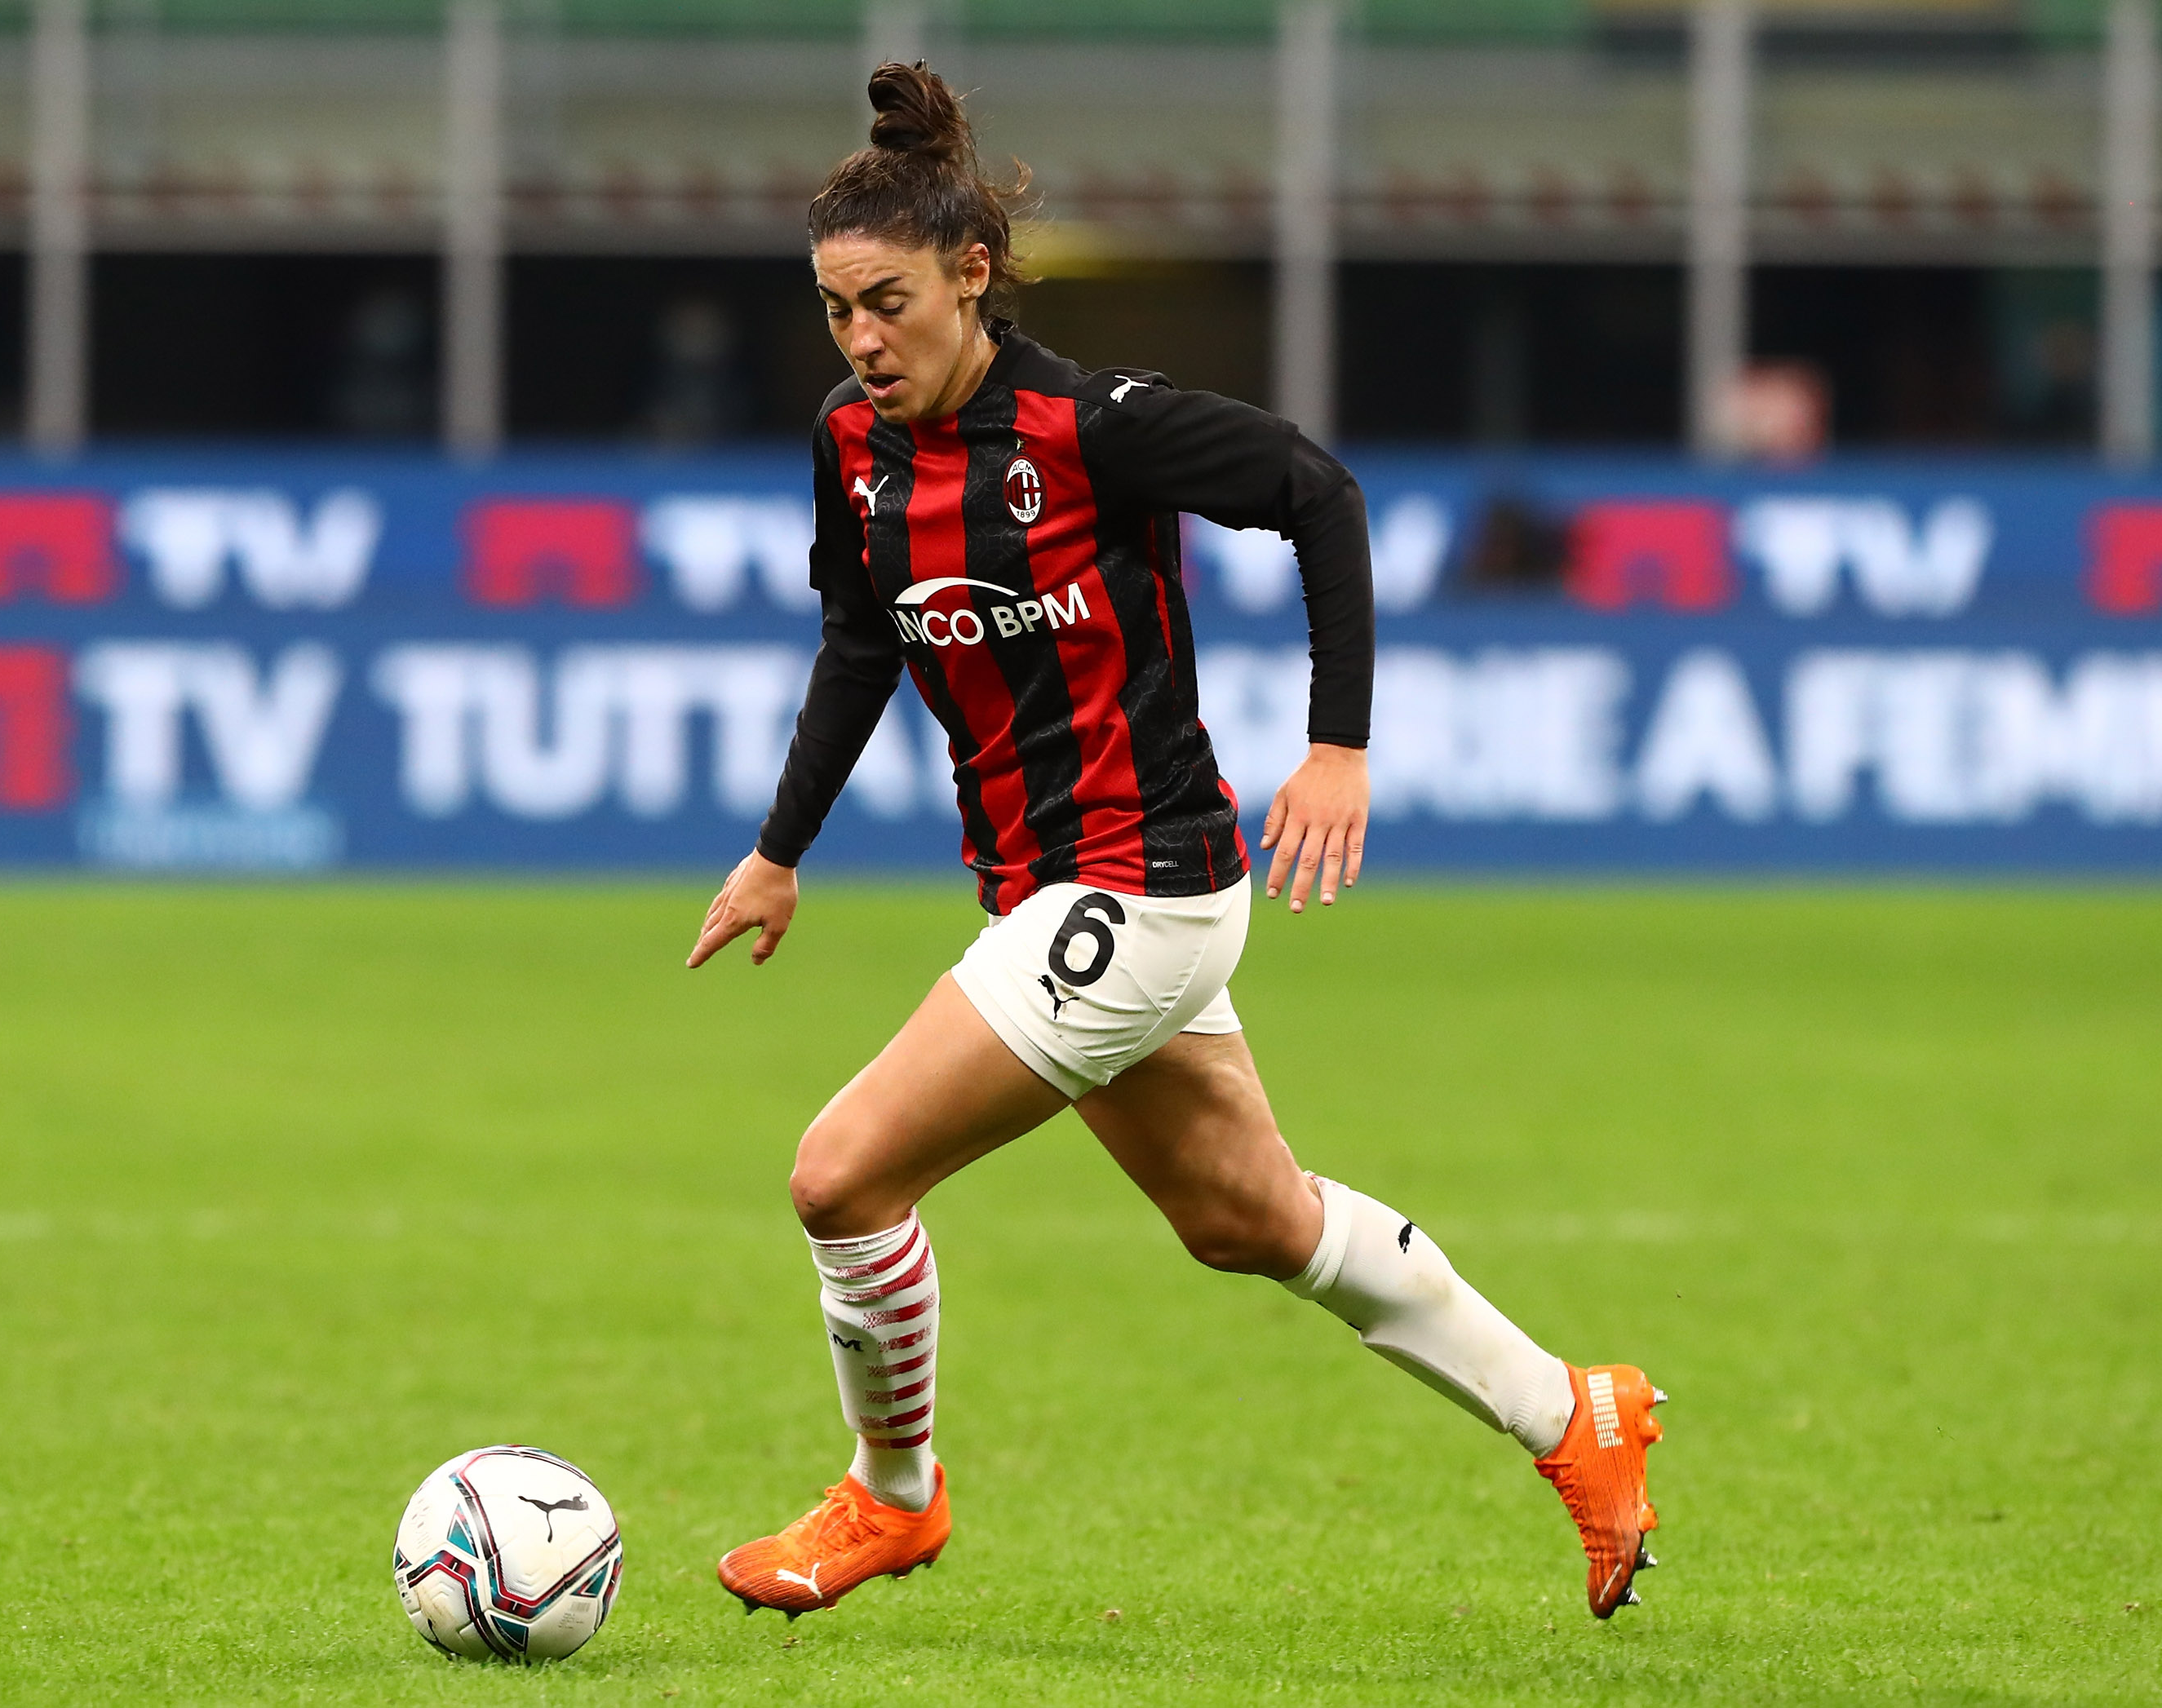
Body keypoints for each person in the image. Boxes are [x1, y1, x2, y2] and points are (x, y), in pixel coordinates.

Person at [686, 61, 1664, 1625]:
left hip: (1137, 886)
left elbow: (1318, 492)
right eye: (835, 310)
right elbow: (861, 638)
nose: (861, 340)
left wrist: (1336, 744)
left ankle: (893, 1497)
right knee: (1249, 1221)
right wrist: (778, 848)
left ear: (971, 274)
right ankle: (1576, 1412)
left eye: (888, 303)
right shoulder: (852, 444)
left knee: (841, 1176)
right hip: (1047, 894)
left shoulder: (1092, 427)